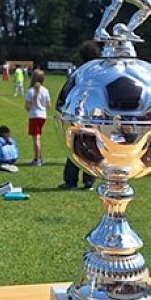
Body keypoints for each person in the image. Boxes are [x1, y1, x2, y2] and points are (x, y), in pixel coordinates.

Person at [59, 40, 101, 190]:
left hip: (79, 113)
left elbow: (69, 91)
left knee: (75, 146)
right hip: (95, 113)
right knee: (92, 146)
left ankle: (71, 181)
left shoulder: (80, 72)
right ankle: (89, 180)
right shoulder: (101, 72)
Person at [25, 69, 51, 166]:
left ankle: (37, 159)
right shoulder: (45, 90)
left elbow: (27, 106)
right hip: (43, 116)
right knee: (38, 137)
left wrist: (33, 103)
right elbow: (48, 105)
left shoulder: (30, 91)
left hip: (34, 116)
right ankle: (39, 156)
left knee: (36, 139)